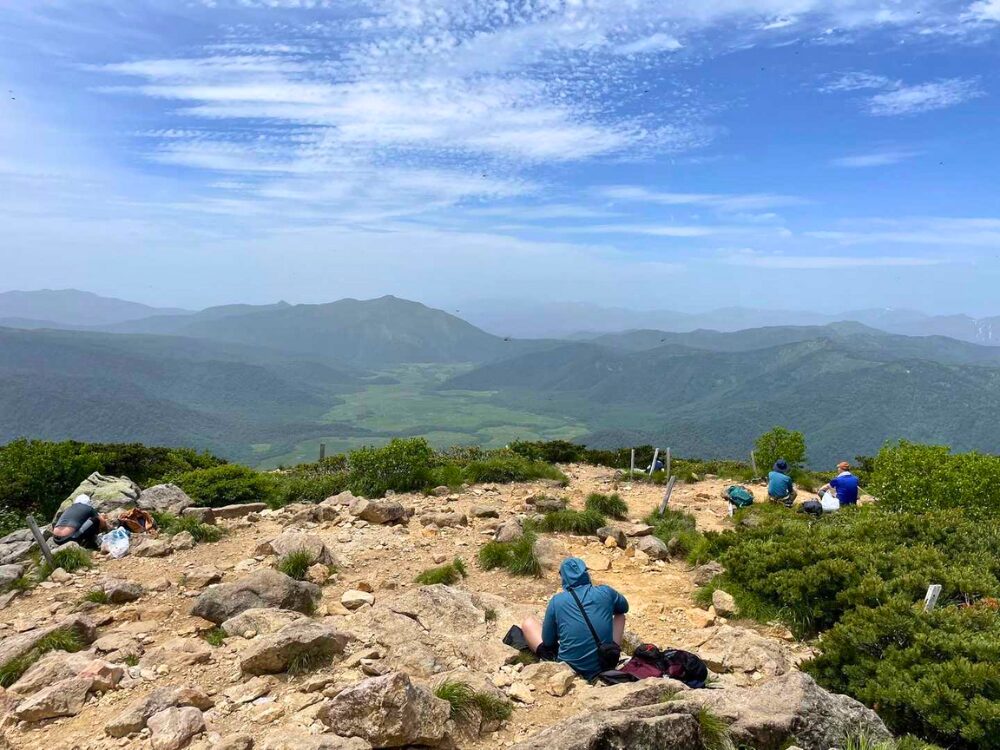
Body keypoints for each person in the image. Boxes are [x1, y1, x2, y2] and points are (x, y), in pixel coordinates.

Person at [520, 557, 629, 679]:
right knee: (620, 616)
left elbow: (548, 641)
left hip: (569, 668)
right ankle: (611, 652)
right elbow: (624, 608)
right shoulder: (606, 592)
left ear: (564, 577)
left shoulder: (557, 601)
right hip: (606, 662)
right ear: (585, 573)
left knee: (528, 623)